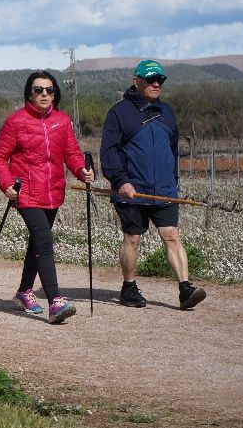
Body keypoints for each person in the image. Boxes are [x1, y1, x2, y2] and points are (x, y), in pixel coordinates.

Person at [100, 60, 207, 310]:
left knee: (171, 235)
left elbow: (172, 150)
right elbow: (109, 152)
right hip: (131, 190)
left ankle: (185, 288)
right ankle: (129, 288)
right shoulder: (119, 112)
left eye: (160, 80)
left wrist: (174, 181)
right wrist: (120, 181)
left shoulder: (167, 112)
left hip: (165, 190)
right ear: (136, 81)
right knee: (133, 237)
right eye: (151, 80)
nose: (157, 84)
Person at [0, 71, 94, 324]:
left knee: (37, 243)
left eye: (49, 89)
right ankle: (55, 302)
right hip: (26, 193)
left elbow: (71, 153)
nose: (44, 94)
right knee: (45, 241)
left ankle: (25, 291)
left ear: (55, 93)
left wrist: (83, 171)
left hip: (53, 192)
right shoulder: (16, 122)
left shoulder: (63, 121)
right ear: (29, 94)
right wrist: (6, 183)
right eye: (38, 90)